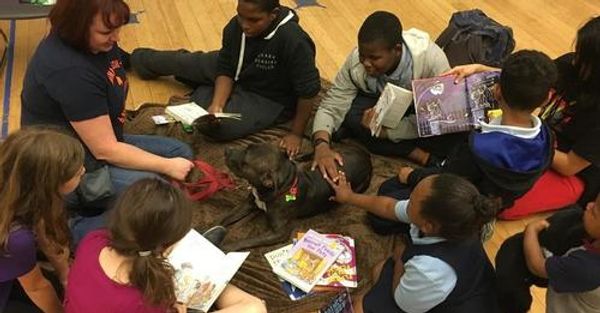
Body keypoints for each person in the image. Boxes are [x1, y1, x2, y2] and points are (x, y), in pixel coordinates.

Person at [20, 0, 195, 211]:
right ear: (77, 26)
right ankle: (75, 218)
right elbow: (105, 150)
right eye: (106, 32)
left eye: (118, 28)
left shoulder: (95, 44)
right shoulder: (69, 71)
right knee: (159, 193)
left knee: (181, 152)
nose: (116, 37)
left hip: (96, 142)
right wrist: (167, 166)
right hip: (70, 167)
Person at [439, 16, 600, 211]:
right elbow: (531, 80)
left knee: (497, 200)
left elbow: (569, 166)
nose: (575, 58)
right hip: (533, 136)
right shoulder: (572, 65)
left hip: (567, 171)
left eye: (583, 57)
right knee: (474, 150)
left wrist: (525, 144)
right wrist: (481, 69)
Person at [394, 50, 572, 221]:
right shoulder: (548, 140)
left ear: (496, 90)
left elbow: (446, 181)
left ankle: (424, 161)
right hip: (488, 201)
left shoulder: (477, 148)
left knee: (390, 187)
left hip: (457, 197)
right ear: (547, 98)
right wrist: (479, 68)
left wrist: (412, 176)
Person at [131, 0, 321, 156]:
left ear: (273, 14)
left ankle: (203, 88)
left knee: (217, 128)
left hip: (267, 97)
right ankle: (132, 60)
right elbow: (225, 67)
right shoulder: (235, 26)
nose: (245, 25)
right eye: (241, 16)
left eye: (254, 20)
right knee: (183, 62)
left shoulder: (294, 41)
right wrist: (217, 105)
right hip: (236, 71)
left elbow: (308, 92)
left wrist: (296, 134)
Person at [64, 178, 266, 313]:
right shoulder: (145, 297)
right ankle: (210, 267)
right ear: (165, 244)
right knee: (255, 307)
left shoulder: (94, 239)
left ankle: (207, 262)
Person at [311, 11, 460, 180]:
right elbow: (333, 103)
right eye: (362, 56)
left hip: (420, 111)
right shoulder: (355, 62)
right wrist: (321, 145)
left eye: (374, 58)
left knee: (451, 137)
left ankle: (417, 154)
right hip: (376, 103)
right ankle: (411, 150)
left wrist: (389, 133)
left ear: (397, 50)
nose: (366, 64)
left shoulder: (432, 62)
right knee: (352, 115)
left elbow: (439, 116)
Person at [326, 173, 499, 313]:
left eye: (412, 201)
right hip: (438, 287)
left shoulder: (432, 271)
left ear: (428, 225)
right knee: (379, 269)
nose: (407, 200)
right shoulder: (459, 220)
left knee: (357, 307)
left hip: (442, 303)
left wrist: (401, 258)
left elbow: (404, 303)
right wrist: (349, 197)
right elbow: (388, 207)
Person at [0, 127, 85, 313]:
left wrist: (64, 275)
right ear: (49, 183)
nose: (83, 171)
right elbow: (37, 287)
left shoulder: (15, 182)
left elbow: (46, 231)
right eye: (77, 172)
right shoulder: (16, 238)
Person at [495, 193, 600, 313]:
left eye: (594, 212)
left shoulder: (585, 268)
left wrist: (532, 230)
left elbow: (537, 266)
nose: (588, 205)